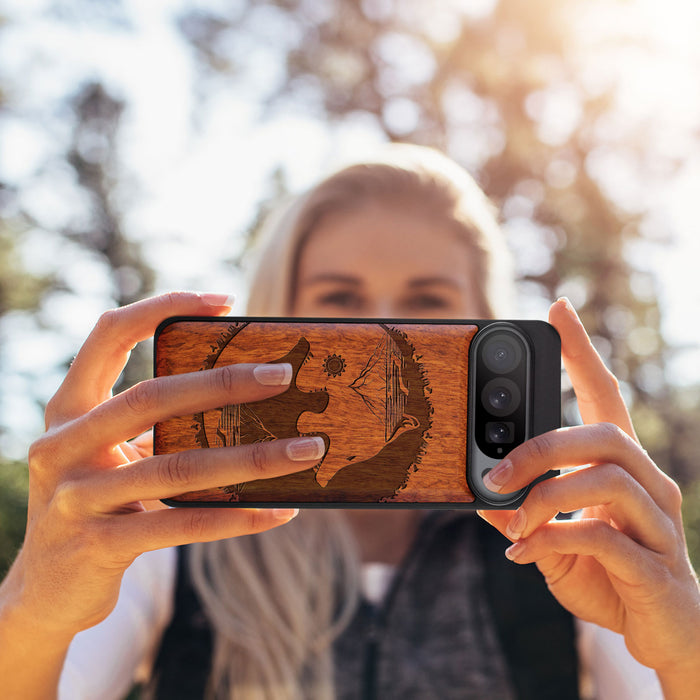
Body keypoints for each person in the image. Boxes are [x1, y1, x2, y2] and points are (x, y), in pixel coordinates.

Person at [0, 145, 698, 700]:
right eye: (339, 299)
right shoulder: (170, 535)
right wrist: (34, 607)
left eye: (428, 301)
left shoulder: (567, 544)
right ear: (278, 317)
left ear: (487, 324)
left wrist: (685, 648)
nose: (383, 331)